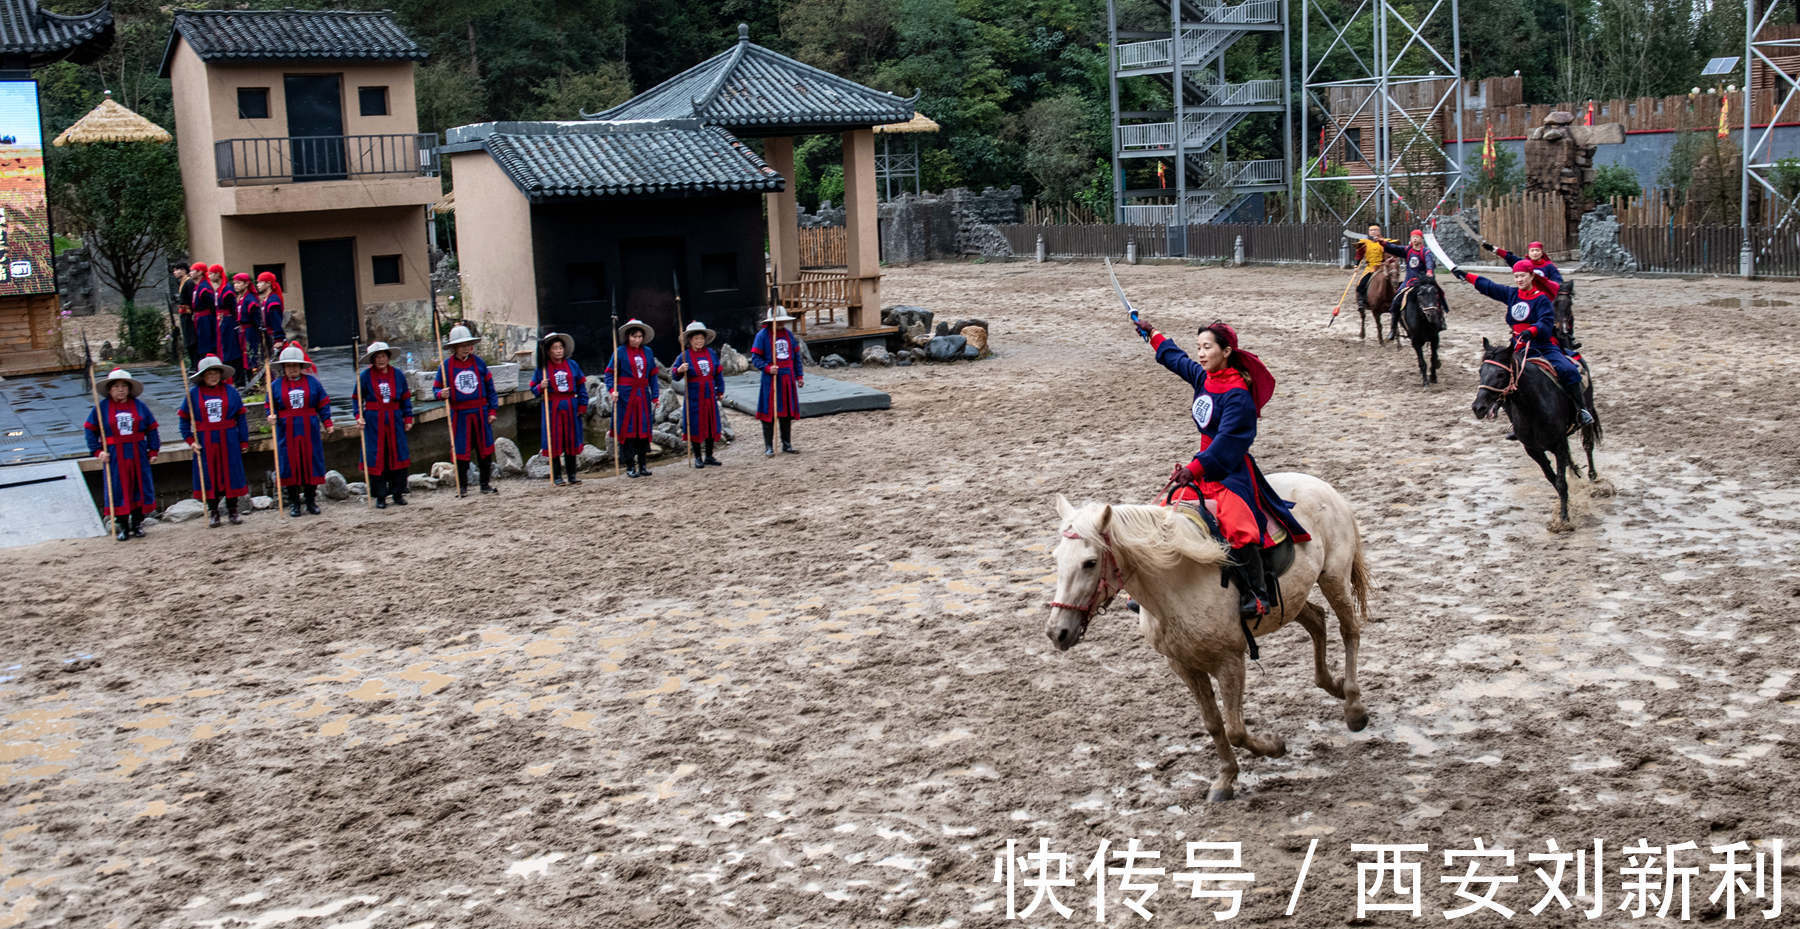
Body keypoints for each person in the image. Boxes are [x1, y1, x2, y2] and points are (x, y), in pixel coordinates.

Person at [1132, 316, 1312, 619]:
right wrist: (1151, 334)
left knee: (1238, 525)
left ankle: (1257, 593)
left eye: (1207, 347)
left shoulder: (1238, 395)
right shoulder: (1205, 378)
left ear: (1226, 351)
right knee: (1162, 513)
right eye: (1199, 347)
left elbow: (1229, 441)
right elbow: (1178, 360)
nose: (1201, 354)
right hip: (1201, 468)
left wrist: (1194, 468)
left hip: (1230, 471)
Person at [1451, 260, 1594, 433]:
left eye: (1522, 276)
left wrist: (1531, 331)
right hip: (1517, 347)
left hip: (1541, 346)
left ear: (1531, 276)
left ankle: (1581, 411)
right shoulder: (1512, 294)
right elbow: (1489, 286)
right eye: (1516, 276)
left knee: (1569, 370)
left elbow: (1546, 322)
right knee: (1499, 374)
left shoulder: (1541, 298)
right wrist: (1466, 276)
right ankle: (1515, 422)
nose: (1519, 279)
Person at [85, 368, 161, 541]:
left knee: (138, 487)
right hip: (115, 456)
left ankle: (137, 524)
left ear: (129, 388)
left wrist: (153, 449)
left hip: (138, 453)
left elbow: (152, 428)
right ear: (110, 389)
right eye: (117, 386)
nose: (120, 390)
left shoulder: (139, 406)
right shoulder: (102, 408)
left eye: (124, 386)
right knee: (118, 489)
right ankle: (123, 527)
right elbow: (90, 430)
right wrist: (98, 451)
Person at [177, 354, 250, 528]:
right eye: (209, 373)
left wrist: (243, 440)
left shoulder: (231, 392)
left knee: (230, 473)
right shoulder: (193, 394)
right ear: (203, 375)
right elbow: (184, 420)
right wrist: (190, 440)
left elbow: (241, 418)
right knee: (210, 476)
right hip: (205, 441)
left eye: (215, 373)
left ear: (220, 373)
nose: (213, 376)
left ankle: (233, 510)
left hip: (229, 439)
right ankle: (214, 512)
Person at [267, 343, 335, 516]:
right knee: (290, 466)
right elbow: (270, 406)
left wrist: (327, 422)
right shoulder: (275, 386)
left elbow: (323, 402)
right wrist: (271, 416)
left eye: (295, 365)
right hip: (286, 431)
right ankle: (294, 504)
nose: (292, 369)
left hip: (309, 429)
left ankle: (311, 501)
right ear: (284, 367)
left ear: (300, 366)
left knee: (310, 463)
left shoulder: (313, 383)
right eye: (288, 366)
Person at [434, 324, 501, 495]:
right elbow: (435, 390)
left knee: (484, 450)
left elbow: (491, 389)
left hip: (480, 413)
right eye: (462, 346)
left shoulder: (479, 363)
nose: (466, 349)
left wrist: (492, 411)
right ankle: (462, 486)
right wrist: (442, 393)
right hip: (459, 415)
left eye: (468, 345)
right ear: (454, 347)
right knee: (461, 452)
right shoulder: (445, 367)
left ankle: (484, 484)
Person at [354, 341, 414, 508]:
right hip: (374, 422)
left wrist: (408, 417)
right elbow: (357, 400)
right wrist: (359, 416)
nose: (381, 359)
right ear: (373, 359)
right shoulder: (365, 377)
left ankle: (397, 493)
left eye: (383, 356)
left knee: (397, 455)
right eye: (377, 357)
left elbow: (406, 398)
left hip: (394, 419)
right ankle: (380, 496)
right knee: (377, 456)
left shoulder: (398, 375)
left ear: (388, 357)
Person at [604, 319, 661, 478]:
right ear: (628, 336)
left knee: (642, 430)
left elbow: (653, 376)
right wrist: (612, 390)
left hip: (642, 395)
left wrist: (655, 396)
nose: (637, 339)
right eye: (634, 336)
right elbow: (609, 374)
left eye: (640, 336)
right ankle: (630, 466)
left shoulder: (648, 352)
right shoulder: (620, 352)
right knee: (627, 430)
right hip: (625, 396)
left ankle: (643, 465)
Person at [530, 332, 588, 485]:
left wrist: (582, 405)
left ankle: (572, 475)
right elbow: (533, 390)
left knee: (571, 439)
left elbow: (581, 386)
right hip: (552, 406)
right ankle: (557, 476)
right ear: (548, 351)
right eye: (555, 348)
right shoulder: (543, 368)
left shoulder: (572, 365)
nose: (558, 351)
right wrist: (540, 387)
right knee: (554, 440)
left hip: (570, 404)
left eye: (561, 348)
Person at [671, 320, 726, 469]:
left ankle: (709, 455)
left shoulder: (711, 353)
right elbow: (674, 376)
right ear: (690, 340)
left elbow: (718, 373)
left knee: (710, 424)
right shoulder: (685, 356)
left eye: (701, 338)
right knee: (695, 426)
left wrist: (720, 390)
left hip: (709, 395)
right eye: (696, 338)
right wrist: (680, 370)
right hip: (694, 397)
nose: (699, 341)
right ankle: (697, 457)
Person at [750, 309, 804, 456]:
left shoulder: (788, 335)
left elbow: (796, 358)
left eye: (782, 320)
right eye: (777, 320)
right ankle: (769, 446)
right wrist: (767, 368)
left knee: (786, 413)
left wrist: (799, 376)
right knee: (769, 412)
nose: (780, 323)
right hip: (771, 380)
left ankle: (787, 444)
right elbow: (755, 359)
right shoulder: (762, 336)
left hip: (787, 379)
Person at [207, 264, 245, 385]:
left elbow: (233, 309)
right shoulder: (219, 289)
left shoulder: (227, 290)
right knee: (225, 350)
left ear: (218, 274)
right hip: (222, 323)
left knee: (232, 351)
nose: (209, 276)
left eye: (212, 273)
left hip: (229, 324)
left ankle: (238, 380)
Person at [1353, 224, 1390, 318]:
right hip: (1370, 268)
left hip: (1383, 267)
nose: (1373, 232)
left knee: (1393, 282)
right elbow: (1359, 255)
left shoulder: (1385, 242)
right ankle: (1362, 302)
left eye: (1375, 230)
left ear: (1379, 231)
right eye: (1371, 230)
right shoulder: (1364, 243)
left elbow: (1391, 252)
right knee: (1361, 284)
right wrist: (1356, 265)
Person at [233, 273, 263, 372]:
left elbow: (256, 319)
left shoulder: (250, 300)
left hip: (250, 332)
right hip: (242, 332)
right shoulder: (240, 298)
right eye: (234, 283)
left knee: (252, 356)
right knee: (245, 356)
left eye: (238, 283)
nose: (236, 285)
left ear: (246, 284)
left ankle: (256, 382)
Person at [191, 261, 219, 362]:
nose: (190, 273)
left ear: (200, 273)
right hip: (200, 319)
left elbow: (211, 305)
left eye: (193, 271)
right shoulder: (198, 286)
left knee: (207, 343)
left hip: (206, 320)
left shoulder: (205, 287)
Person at [173, 262, 199, 366]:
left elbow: (192, 301)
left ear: (183, 270)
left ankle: (195, 363)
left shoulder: (189, 282)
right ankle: (193, 363)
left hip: (189, 315)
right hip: (184, 315)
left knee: (191, 340)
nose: (175, 272)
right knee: (188, 340)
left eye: (176, 270)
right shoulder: (182, 282)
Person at [255, 272, 287, 348]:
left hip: (273, 337)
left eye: (260, 282)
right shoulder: (266, 299)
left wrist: (279, 339)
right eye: (257, 282)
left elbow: (276, 321)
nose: (257, 285)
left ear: (268, 283)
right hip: (266, 336)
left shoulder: (273, 301)